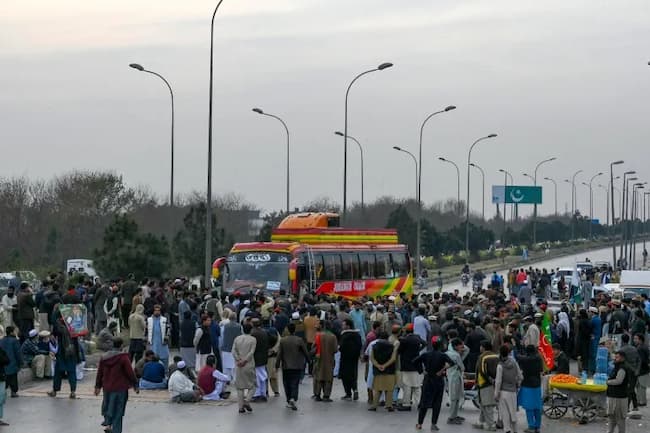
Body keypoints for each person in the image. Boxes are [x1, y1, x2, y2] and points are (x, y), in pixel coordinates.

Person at [94, 337, 139, 433]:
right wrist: (135, 384)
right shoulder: (123, 357)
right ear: (121, 345)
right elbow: (130, 372)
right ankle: (116, 430)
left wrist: (97, 386)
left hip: (107, 388)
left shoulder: (104, 357)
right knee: (118, 411)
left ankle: (108, 424)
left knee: (108, 406)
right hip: (120, 388)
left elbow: (100, 373)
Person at [413, 337, 451, 431]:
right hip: (438, 381)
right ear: (441, 345)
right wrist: (442, 370)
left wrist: (422, 371)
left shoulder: (426, 354)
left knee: (424, 403)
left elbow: (414, 361)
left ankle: (419, 423)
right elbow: (452, 363)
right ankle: (433, 424)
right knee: (437, 403)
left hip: (428, 380)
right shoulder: (443, 355)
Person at [276, 322, 309, 410]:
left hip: (286, 366)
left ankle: (289, 399)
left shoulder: (283, 340)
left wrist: (277, 365)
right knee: (295, 383)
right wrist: (309, 361)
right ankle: (293, 398)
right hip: (297, 365)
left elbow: (279, 354)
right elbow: (305, 352)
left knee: (286, 383)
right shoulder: (299, 340)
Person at [48, 311, 81, 398]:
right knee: (71, 372)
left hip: (62, 352)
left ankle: (55, 391)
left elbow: (54, 333)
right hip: (72, 352)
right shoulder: (74, 324)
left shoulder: (58, 325)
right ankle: (73, 391)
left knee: (58, 373)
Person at [494, 344, 523, 433]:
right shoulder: (514, 363)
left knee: (505, 412)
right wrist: (517, 384)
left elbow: (498, 381)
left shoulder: (500, 366)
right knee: (513, 412)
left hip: (503, 392)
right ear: (509, 352)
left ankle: (507, 430)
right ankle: (515, 430)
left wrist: (496, 393)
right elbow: (520, 376)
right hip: (513, 391)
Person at [397, 323, 425, 411]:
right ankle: (420, 404)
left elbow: (399, 351)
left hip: (407, 365)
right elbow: (425, 343)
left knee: (407, 386)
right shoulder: (418, 337)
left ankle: (406, 404)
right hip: (417, 365)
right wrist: (419, 350)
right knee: (417, 386)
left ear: (406, 330)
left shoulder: (404, 340)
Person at [368, 330, 398, 412]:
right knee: (389, 389)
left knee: (377, 389)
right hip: (389, 371)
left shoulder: (374, 346)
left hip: (378, 371)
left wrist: (378, 366)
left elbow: (371, 358)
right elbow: (393, 358)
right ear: (387, 337)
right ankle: (389, 405)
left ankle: (374, 406)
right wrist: (385, 365)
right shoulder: (392, 346)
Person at [517, 344, 543, 433]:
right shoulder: (539, 359)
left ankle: (531, 426)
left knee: (529, 408)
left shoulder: (526, 360)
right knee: (537, 407)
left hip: (528, 385)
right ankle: (538, 426)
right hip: (537, 385)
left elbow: (519, 357)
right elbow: (541, 370)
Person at [474, 340, 499, 431]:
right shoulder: (496, 355)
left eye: (481, 346)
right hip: (495, 383)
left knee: (487, 405)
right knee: (484, 404)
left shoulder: (482, 357)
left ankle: (491, 425)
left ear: (483, 347)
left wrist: (477, 381)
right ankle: (480, 422)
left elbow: (481, 370)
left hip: (484, 383)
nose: (480, 348)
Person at [233, 323, 256, 414]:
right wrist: (245, 360)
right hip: (248, 364)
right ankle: (247, 400)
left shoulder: (237, 339)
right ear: (251, 330)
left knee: (240, 387)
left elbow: (233, 351)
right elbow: (251, 352)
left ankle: (240, 407)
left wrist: (238, 359)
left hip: (238, 365)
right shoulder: (253, 340)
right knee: (253, 385)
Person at [607, 351, 632, 433]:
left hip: (619, 398)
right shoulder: (617, 367)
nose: (615, 358)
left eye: (617, 357)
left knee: (620, 420)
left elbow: (619, 381)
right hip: (613, 396)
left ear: (622, 358)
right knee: (611, 418)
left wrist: (608, 382)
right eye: (615, 357)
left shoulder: (622, 368)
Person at [312, 320, 337, 402]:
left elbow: (313, 347)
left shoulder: (318, 335)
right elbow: (335, 350)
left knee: (319, 377)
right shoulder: (333, 336)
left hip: (319, 360)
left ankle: (317, 395)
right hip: (329, 360)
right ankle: (326, 396)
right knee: (328, 378)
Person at [446, 337, 469, 424]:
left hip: (451, 377)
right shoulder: (456, 355)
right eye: (460, 346)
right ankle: (452, 417)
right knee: (455, 398)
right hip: (456, 378)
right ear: (456, 346)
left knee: (455, 397)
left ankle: (454, 416)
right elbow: (463, 367)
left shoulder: (448, 353)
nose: (462, 348)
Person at [338, 318, 362, 401]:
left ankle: (348, 394)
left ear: (348, 326)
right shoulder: (357, 335)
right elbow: (360, 346)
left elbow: (341, 347)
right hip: (354, 359)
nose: (342, 326)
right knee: (353, 375)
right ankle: (355, 389)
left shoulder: (344, 335)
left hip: (345, 359)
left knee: (345, 376)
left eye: (343, 325)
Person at [250, 318, 269, 402]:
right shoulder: (264, 332)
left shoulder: (253, 333)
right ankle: (263, 393)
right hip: (264, 356)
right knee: (263, 375)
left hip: (255, 357)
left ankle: (257, 394)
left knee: (256, 376)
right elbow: (273, 339)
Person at [220, 311, 242, 382]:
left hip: (226, 348)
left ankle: (227, 379)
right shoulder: (239, 326)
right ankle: (235, 380)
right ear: (235, 318)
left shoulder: (224, 326)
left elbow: (222, 337)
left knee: (226, 366)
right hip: (235, 348)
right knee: (234, 366)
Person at [0, 327, 21, 398]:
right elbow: (18, 353)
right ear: (12, 332)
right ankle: (13, 392)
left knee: (5, 380)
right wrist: (20, 362)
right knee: (13, 379)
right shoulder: (15, 341)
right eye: (15, 331)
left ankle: (3, 392)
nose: (16, 332)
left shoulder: (2, 340)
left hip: (3, 363)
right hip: (12, 363)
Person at [633, 333, 649, 407]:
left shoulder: (640, 348)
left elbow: (641, 361)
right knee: (640, 387)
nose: (634, 340)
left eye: (636, 339)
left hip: (642, 371)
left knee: (641, 387)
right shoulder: (643, 346)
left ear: (640, 340)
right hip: (644, 370)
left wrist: (637, 370)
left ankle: (642, 402)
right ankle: (640, 401)